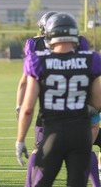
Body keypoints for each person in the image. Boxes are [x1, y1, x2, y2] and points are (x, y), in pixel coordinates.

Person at [16, 12, 101, 186]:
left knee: (42, 182)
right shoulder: (90, 59)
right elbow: (97, 101)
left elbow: (28, 109)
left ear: (49, 35)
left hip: (52, 132)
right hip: (80, 133)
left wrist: (20, 139)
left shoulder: (39, 61)